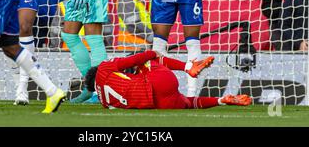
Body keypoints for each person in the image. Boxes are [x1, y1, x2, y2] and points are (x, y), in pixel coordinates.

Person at [84, 50, 252, 109]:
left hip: (157, 104)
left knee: (187, 103)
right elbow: (134, 60)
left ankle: (221, 100)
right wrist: (152, 53)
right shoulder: (104, 68)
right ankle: (189, 67)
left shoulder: (105, 103)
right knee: (146, 59)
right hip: (160, 82)